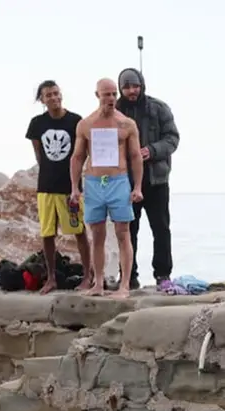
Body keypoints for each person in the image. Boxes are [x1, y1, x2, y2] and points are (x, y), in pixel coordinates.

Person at [70, 78, 144, 299]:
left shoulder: (126, 124)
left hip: (119, 181)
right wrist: (75, 187)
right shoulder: (86, 124)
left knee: (123, 233)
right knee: (97, 234)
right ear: (97, 95)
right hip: (94, 183)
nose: (111, 99)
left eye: (114, 94)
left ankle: (124, 286)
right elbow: (77, 156)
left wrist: (137, 186)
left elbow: (135, 156)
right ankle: (98, 283)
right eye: (107, 94)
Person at [25, 80, 92, 294]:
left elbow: (82, 153)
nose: (53, 98)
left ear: (61, 94)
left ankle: (88, 276)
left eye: (56, 93)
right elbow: (39, 155)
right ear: (42, 100)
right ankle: (51, 277)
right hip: (45, 187)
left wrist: (78, 183)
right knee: (47, 233)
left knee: (78, 230)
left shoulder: (75, 121)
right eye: (48, 95)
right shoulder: (37, 124)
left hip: (70, 187)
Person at [117, 67, 180, 290]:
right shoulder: (115, 111)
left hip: (156, 181)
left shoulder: (159, 108)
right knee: (126, 231)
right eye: (126, 87)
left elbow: (172, 139)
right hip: (124, 182)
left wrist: (151, 151)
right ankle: (128, 276)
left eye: (135, 86)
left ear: (142, 85)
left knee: (161, 229)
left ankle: (163, 275)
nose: (132, 90)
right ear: (120, 88)